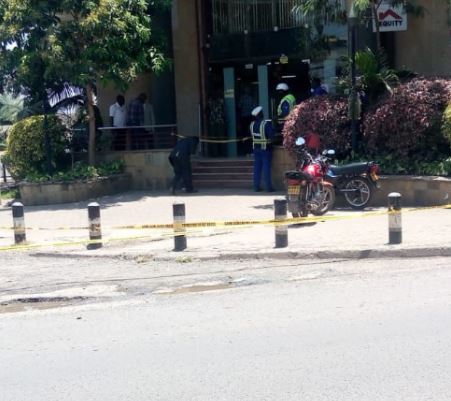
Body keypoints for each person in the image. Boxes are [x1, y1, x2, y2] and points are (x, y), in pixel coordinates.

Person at [250, 106, 275, 192]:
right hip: (265, 149)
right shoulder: (266, 124)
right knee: (266, 168)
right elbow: (271, 135)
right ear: (261, 114)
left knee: (257, 168)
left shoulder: (252, 125)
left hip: (256, 149)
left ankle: (256, 187)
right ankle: (268, 187)